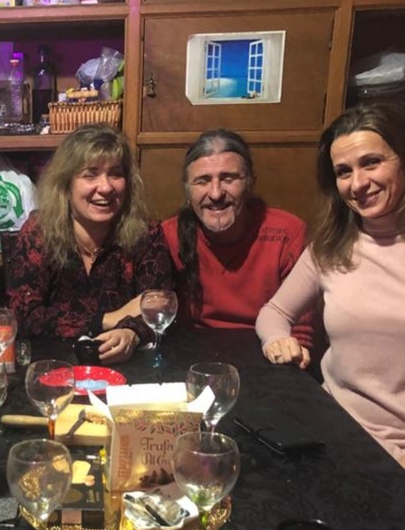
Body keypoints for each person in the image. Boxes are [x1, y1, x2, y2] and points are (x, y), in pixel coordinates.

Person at [256, 102, 405, 467]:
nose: (358, 184)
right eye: (343, 171)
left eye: (372, 162)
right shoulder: (330, 247)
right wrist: (277, 339)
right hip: (329, 430)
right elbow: (273, 312)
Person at [6, 123, 174, 363]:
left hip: (128, 372)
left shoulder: (146, 233)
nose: (105, 187)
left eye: (115, 173)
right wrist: (107, 319)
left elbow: (160, 306)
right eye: (90, 174)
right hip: (53, 367)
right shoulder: (38, 232)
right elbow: (23, 317)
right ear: (66, 185)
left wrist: (132, 333)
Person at [162, 129, 315, 348]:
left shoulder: (287, 233)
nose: (216, 193)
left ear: (250, 183)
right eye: (203, 181)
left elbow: (300, 332)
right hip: (193, 356)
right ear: (187, 192)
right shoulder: (169, 235)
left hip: (268, 353)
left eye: (229, 178)